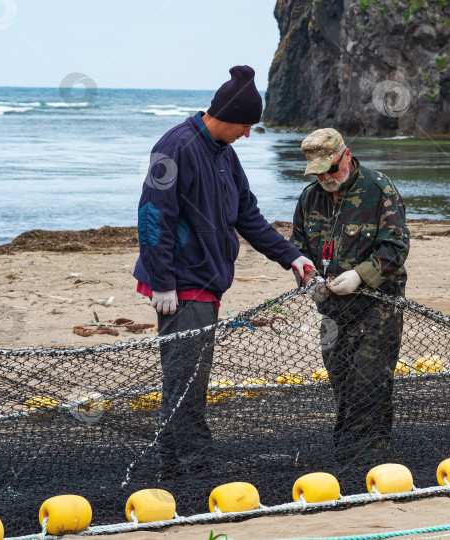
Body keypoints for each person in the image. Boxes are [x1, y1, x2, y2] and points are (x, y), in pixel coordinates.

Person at [133, 65, 314, 477]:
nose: (248, 135)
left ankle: (174, 465)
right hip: (181, 287)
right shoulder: (174, 146)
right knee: (187, 384)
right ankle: (193, 467)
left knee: (186, 381)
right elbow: (151, 217)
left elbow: (248, 215)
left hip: (208, 284)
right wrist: (162, 283)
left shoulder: (225, 155)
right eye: (246, 126)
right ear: (227, 116)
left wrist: (291, 256)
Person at [291, 128, 410, 464]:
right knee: (342, 382)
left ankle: (369, 457)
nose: (326, 178)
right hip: (331, 311)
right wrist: (308, 279)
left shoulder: (378, 189)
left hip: (378, 309)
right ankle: (350, 452)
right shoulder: (308, 198)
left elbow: (396, 246)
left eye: (330, 169)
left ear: (346, 155)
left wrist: (361, 275)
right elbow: (297, 250)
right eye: (318, 173)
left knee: (369, 382)